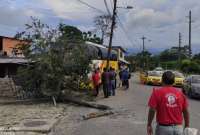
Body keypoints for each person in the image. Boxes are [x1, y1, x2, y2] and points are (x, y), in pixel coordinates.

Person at [147, 71, 189, 135]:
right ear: (174, 81)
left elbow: (152, 109)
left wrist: (149, 124)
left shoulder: (157, 92)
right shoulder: (181, 94)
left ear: (162, 80)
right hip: (178, 129)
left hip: (163, 129)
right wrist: (187, 125)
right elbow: (185, 111)